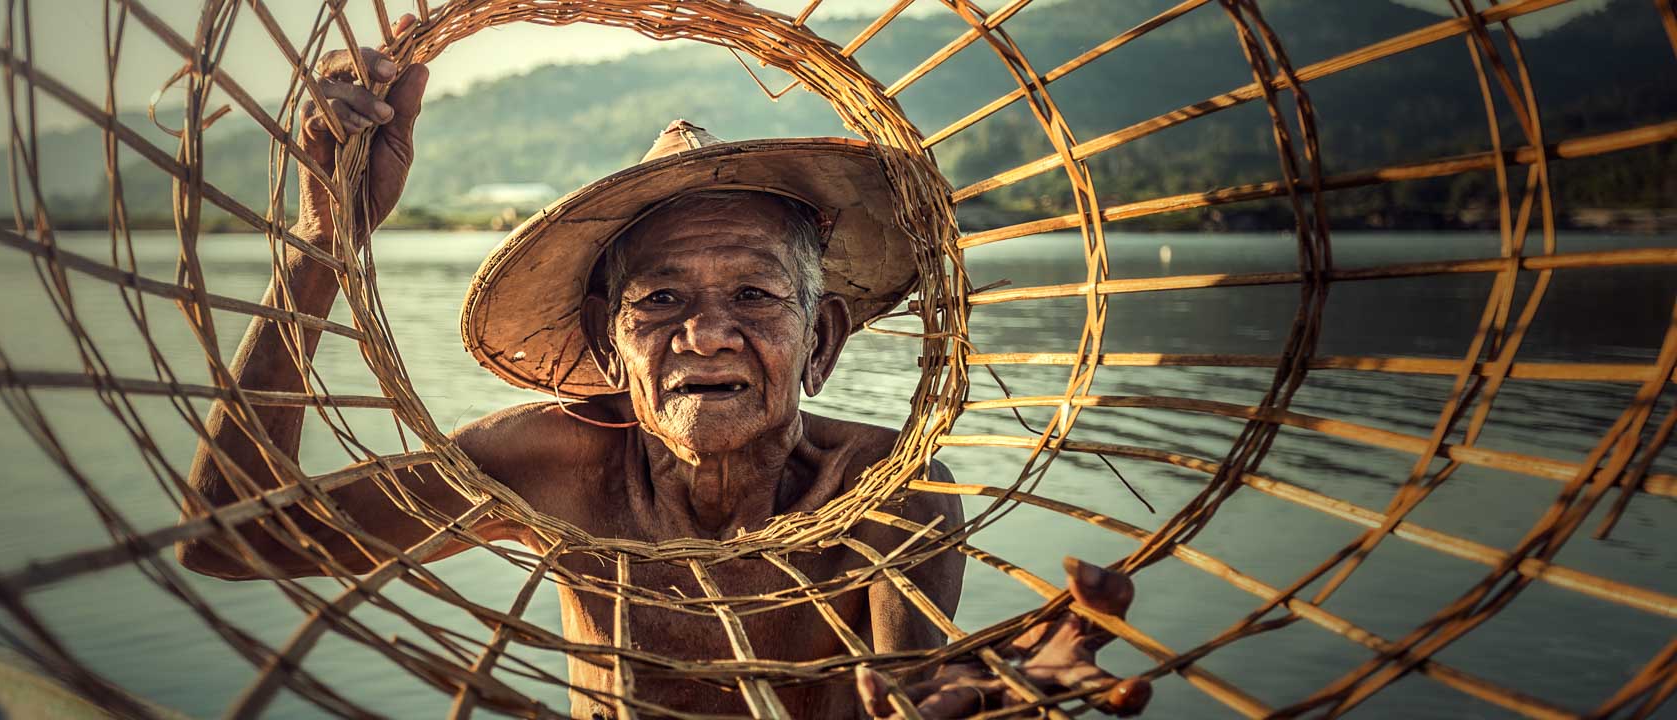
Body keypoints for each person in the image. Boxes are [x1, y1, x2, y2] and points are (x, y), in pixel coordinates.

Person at [176, 16, 1150, 719]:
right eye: (661, 301)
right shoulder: (553, 463)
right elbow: (233, 540)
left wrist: (1005, 687)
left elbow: (907, 693)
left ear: (822, 342)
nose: (709, 334)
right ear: (609, 348)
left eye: (758, 298)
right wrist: (321, 243)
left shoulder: (885, 490)